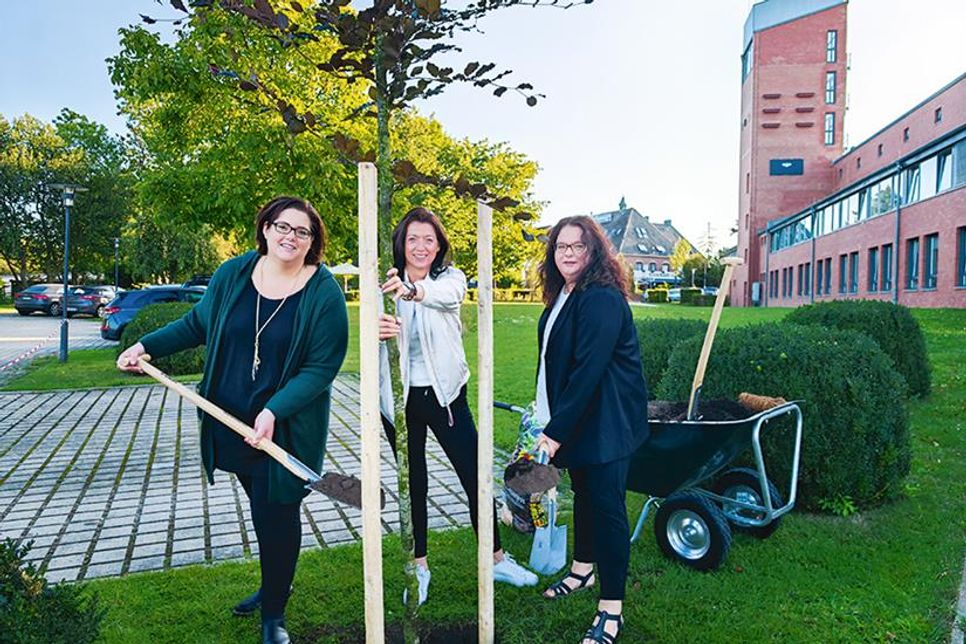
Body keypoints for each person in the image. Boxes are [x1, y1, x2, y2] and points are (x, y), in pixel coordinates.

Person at [116, 196, 348, 644]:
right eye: (283, 226)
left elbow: (321, 367)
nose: (290, 237)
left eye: (302, 232)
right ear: (265, 228)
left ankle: (274, 614)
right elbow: (196, 324)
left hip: (284, 425)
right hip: (229, 416)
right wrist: (145, 346)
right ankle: (275, 580)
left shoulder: (323, 292)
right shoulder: (234, 274)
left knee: (278, 509)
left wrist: (273, 410)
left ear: (313, 241)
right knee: (260, 507)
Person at [377, 207, 537, 605]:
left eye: (428, 240)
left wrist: (413, 291)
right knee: (413, 483)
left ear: (439, 245)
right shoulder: (384, 281)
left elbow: (450, 297)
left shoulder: (448, 279)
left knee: (474, 475)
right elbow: (370, 332)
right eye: (413, 238)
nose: (420, 246)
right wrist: (377, 330)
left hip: (446, 396)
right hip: (399, 398)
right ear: (401, 242)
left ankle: (496, 558)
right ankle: (419, 567)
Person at [533, 216, 649, 644]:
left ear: (593, 251)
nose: (567, 253)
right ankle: (582, 569)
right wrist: (544, 413)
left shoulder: (600, 297)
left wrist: (556, 430)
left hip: (607, 422)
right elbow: (553, 360)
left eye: (577, 246)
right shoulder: (565, 293)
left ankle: (611, 609)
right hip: (579, 418)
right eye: (560, 246)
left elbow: (588, 370)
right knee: (583, 497)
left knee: (608, 509)